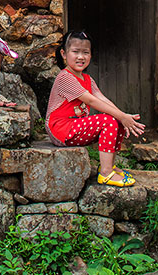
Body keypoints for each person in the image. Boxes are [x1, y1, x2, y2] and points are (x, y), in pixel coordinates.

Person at [46, 30, 145, 187]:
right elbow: (92, 100)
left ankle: (109, 166)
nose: (81, 57)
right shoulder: (65, 77)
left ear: (91, 55)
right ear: (64, 54)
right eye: (75, 52)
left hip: (75, 126)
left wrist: (123, 116)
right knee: (108, 120)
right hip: (61, 129)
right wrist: (121, 116)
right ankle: (105, 174)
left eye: (86, 52)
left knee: (116, 120)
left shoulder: (87, 78)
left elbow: (102, 98)